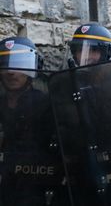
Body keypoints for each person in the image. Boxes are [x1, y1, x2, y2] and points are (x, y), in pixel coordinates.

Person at [0, 37, 69, 205]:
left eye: (20, 63)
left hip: (35, 190)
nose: (11, 71)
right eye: (5, 64)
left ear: (34, 67)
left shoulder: (46, 106)